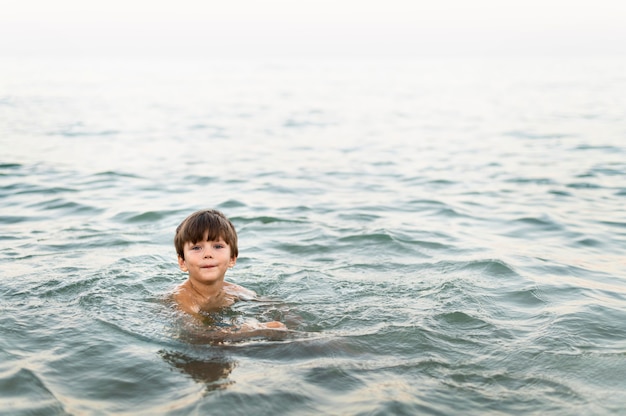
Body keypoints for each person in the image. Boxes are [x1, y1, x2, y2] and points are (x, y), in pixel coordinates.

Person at [172, 209, 286, 334]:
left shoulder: (234, 291)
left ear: (232, 258)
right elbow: (198, 334)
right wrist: (251, 329)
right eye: (196, 248)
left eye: (218, 246)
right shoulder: (183, 298)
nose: (208, 254)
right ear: (182, 262)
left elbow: (278, 308)